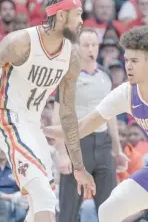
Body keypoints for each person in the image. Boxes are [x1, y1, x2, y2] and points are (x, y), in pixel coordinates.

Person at [0, 0, 96, 222]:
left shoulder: (72, 56)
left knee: (42, 199)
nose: (81, 21)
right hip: (6, 117)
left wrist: (78, 166)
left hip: (33, 125)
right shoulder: (20, 42)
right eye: (77, 14)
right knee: (44, 197)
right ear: (61, 16)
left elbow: (68, 113)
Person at [44, 26, 148, 222]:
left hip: (102, 147)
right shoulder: (125, 92)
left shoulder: (104, 77)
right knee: (108, 211)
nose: (128, 67)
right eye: (126, 60)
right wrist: (44, 131)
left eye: (134, 61)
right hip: (81, 146)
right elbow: (83, 126)